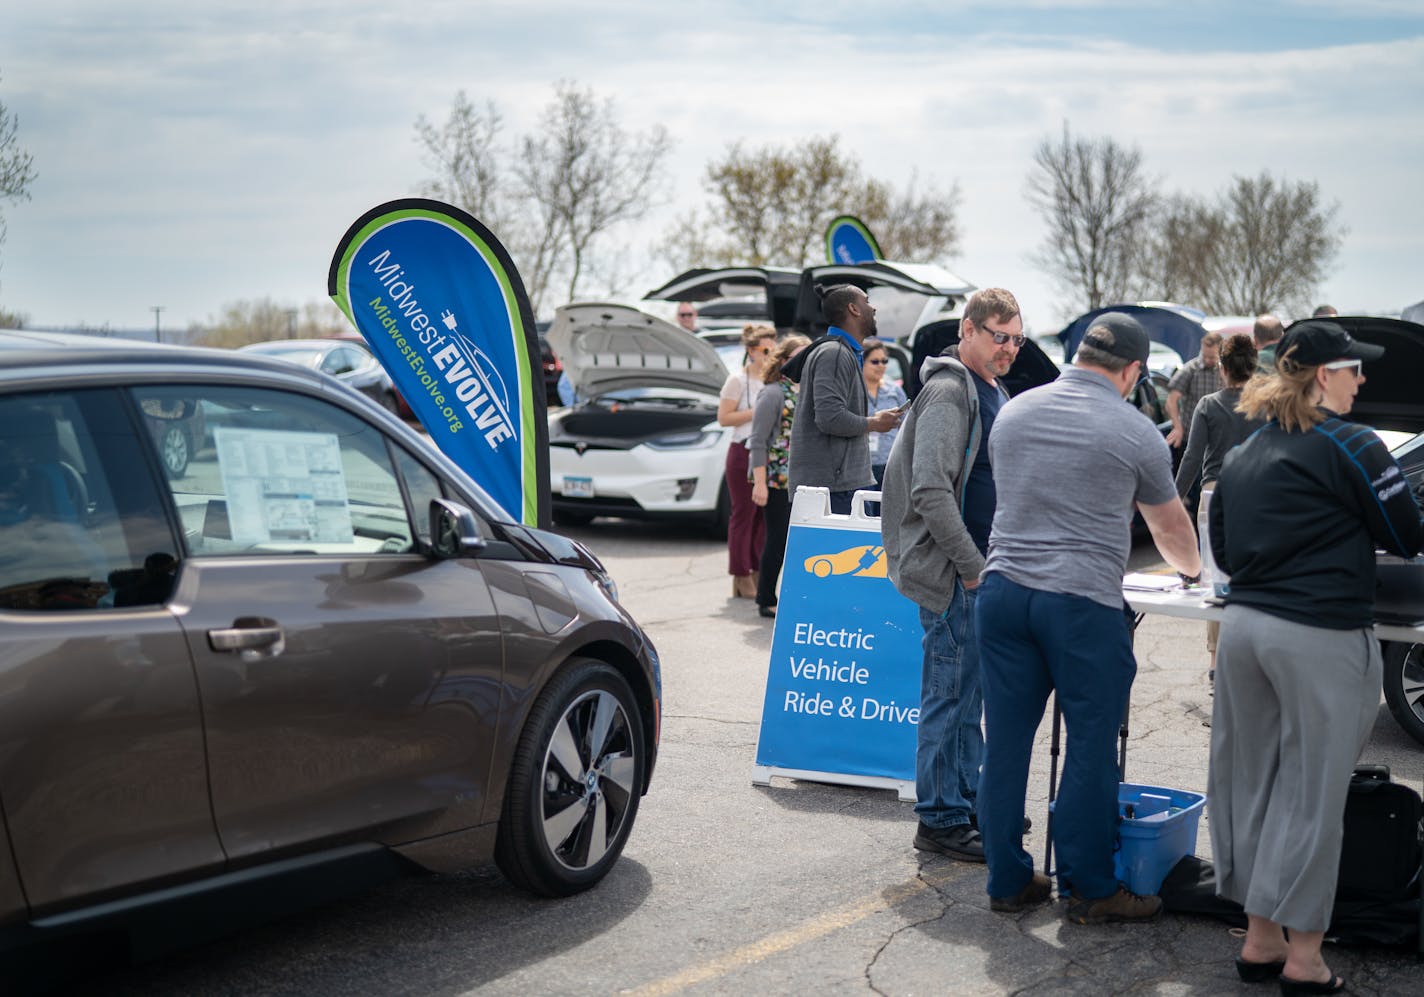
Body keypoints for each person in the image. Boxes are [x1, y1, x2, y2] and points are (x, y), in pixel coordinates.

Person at [1207, 320, 1423, 993]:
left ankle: (1261, 940)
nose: (1363, 379)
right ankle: (1305, 958)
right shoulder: (1352, 443)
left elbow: (1222, 540)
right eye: (1354, 368)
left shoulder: (1248, 447)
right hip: (1319, 632)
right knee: (1312, 793)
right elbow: (1407, 533)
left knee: (1252, 784)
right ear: (1323, 376)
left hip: (1244, 628)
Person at [975, 312, 1201, 921]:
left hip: (1003, 593)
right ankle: (1091, 888)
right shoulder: (1134, 431)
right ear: (1132, 369)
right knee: (1090, 748)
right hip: (1080, 604)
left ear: (1079, 353)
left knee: (1006, 744)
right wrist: (1195, 573)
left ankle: (1006, 879)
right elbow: (1170, 527)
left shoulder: (1015, 410)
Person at [881, 288, 1024, 863]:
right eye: (999, 336)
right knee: (949, 694)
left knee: (969, 699)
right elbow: (931, 491)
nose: (1009, 348)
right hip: (956, 574)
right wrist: (971, 568)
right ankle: (939, 818)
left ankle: (966, 804)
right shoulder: (948, 390)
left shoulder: (992, 388)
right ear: (967, 330)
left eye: (1016, 338)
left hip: (980, 573)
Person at [1173, 333, 1268, 685]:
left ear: (1223, 368)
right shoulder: (1266, 405)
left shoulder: (1209, 405)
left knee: (1218, 582)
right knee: (1259, 575)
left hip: (1216, 495)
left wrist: (1172, 500)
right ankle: (1254, 658)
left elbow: (1192, 458)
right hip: (1260, 494)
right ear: (1253, 368)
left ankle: (1216, 664)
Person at [787, 284, 901, 514]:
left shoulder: (840, 352)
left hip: (838, 486)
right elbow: (830, 418)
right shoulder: (834, 354)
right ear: (853, 309)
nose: (874, 308)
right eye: (867, 301)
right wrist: (875, 423)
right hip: (834, 490)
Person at [748, 334, 811, 618]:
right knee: (777, 538)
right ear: (784, 361)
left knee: (798, 540)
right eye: (798, 356)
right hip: (775, 479)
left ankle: (791, 595)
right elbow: (758, 440)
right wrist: (759, 482)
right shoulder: (773, 393)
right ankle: (765, 597)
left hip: (804, 478)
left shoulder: (810, 391)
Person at [718, 325, 776, 598]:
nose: (770, 354)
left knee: (762, 517)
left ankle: (755, 569)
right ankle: (740, 574)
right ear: (752, 352)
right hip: (742, 450)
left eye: (773, 349)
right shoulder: (738, 380)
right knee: (743, 514)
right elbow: (724, 418)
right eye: (765, 350)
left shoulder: (772, 380)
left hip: (765, 452)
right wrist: (757, 412)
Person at [1165, 331, 1224, 449]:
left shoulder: (1225, 372)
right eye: (1204, 355)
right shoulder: (1190, 370)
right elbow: (1171, 401)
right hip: (1190, 438)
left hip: (1217, 439)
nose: (1207, 360)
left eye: (1212, 357)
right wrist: (1177, 427)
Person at [861, 337, 906, 489]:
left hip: (890, 463)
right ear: (862, 362)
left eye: (884, 361)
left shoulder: (894, 390)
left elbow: (906, 426)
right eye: (875, 362)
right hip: (862, 465)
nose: (881, 366)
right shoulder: (853, 392)